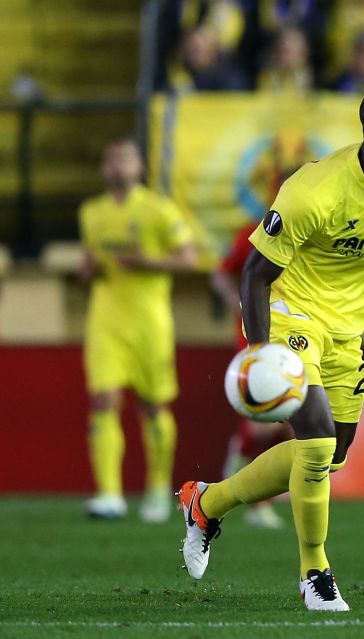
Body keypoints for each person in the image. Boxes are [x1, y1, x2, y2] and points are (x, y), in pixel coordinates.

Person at [177, 82, 364, 612]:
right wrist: (260, 354)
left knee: (330, 455)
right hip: (290, 310)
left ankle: (205, 503)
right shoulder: (313, 191)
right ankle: (314, 573)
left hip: (347, 328)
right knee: (315, 438)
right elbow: (254, 274)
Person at [79, 137, 198, 522]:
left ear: (139, 167)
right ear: (103, 169)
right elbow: (90, 261)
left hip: (149, 322)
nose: (117, 167)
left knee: (152, 406)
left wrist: (147, 261)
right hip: (105, 320)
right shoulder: (91, 212)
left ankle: (156, 490)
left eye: (124, 160)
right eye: (110, 160)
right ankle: (109, 494)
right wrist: (88, 270)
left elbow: (190, 260)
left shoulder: (159, 210)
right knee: (103, 401)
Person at [208, 222, 292, 529]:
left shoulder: (313, 227)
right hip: (256, 332)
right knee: (266, 421)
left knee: (293, 422)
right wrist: (239, 303)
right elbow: (220, 273)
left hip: (297, 331)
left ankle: (253, 491)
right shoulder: (252, 232)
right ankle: (248, 493)